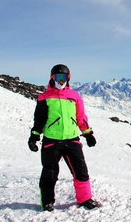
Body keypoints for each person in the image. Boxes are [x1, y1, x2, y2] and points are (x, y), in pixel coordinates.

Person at [28, 64, 98, 211]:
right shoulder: (44, 98)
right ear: (52, 78)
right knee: (50, 172)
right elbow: (39, 120)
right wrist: (34, 137)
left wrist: (88, 134)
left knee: (81, 171)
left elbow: (80, 117)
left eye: (64, 78)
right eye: (58, 78)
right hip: (51, 141)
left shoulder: (74, 96)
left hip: (72, 140)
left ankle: (85, 198)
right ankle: (47, 201)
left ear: (68, 79)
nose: (61, 81)